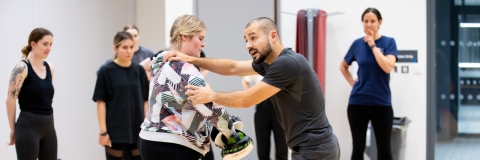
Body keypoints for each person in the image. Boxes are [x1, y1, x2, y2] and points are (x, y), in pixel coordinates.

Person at [163, 17, 340, 160]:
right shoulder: (270, 63)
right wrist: (191, 59)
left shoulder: (288, 63)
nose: (248, 45)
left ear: (273, 36)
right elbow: (232, 68)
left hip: (316, 150)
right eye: (246, 40)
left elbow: (246, 99)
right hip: (313, 148)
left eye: (253, 38)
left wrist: (211, 95)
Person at [137, 14, 253, 160]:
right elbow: (210, 108)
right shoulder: (185, 70)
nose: (203, 44)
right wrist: (231, 133)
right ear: (184, 36)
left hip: (148, 141)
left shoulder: (161, 62)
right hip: (174, 145)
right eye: (201, 38)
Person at [339, 8, 397, 160]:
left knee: (384, 150)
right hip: (358, 102)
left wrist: (373, 45)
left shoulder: (389, 42)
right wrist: (352, 81)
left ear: (380, 22)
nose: (369, 24)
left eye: (373, 21)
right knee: (358, 149)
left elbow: (388, 66)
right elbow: (343, 66)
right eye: (366, 21)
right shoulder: (357, 44)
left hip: (381, 102)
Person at [92, 31, 149, 160]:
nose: (129, 51)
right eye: (124, 47)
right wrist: (103, 131)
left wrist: (147, 126)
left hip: (137, 129)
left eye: (131, 47)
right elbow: (101, 102)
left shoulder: (139, 71)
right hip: (115, 130)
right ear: (115, 48)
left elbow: (145, 101)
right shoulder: (106, 71)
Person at [6, 28, 57, 160]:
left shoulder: (49, 67)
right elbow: (10, 100)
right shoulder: (21, 68)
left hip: (49, 125)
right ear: (33, 44)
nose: (49, 48)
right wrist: (13, 129)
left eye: (51, 44)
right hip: (28, 127)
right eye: (45, 44)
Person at [242, 75, 288, 160]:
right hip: (262, 107)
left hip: (280, 107)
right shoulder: (258, 65)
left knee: (282, 150)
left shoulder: (282, 64)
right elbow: (245, 80)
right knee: (262, 151)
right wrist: (251, 98)